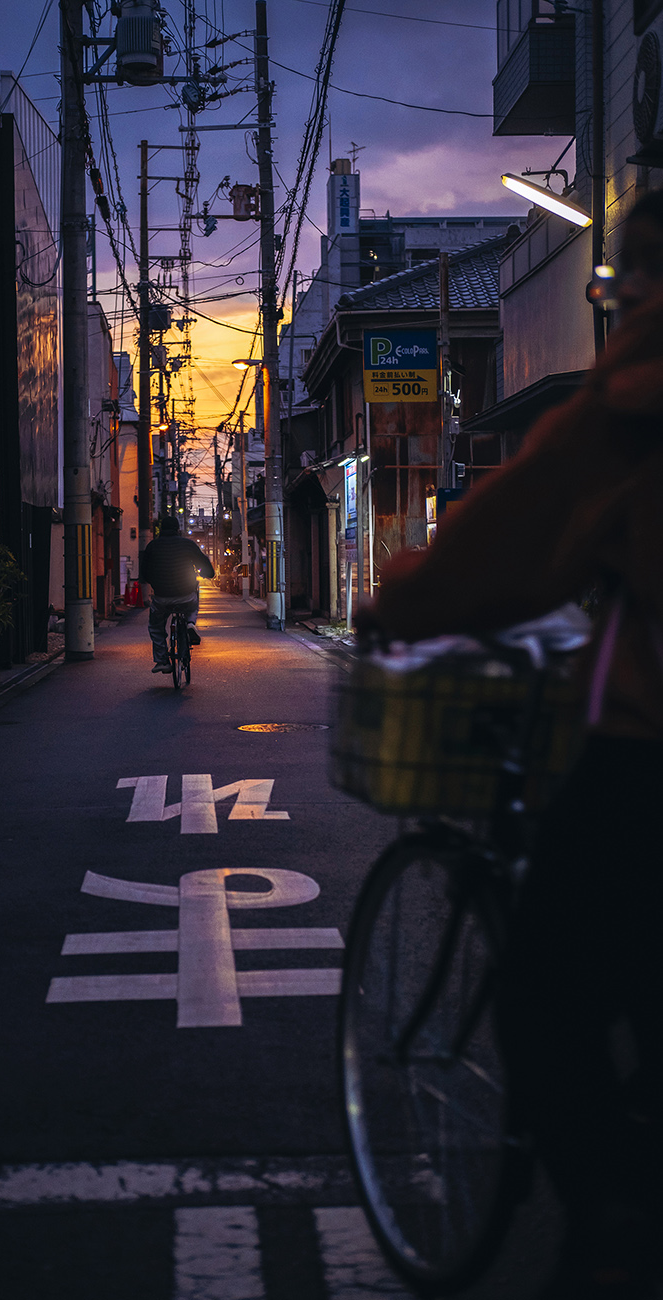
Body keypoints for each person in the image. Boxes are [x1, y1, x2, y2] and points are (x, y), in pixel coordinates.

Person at [357, 190, 663, 1300]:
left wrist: (398, 608)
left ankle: (615, 1209)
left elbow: (511, 538)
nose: (614, 299)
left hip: (647, 751)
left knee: (543, 985)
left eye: (619, 282)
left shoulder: (633, 399)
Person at [140, 515, 215, 673]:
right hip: (186, 594)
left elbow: (144, 574)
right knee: (193, 601)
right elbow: (205, 564)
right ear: (177, 529)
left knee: (156, 626)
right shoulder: (188, 544)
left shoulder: (152, 546)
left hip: (161, 597)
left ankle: (162, 660)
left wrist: (155, 582)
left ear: (161, 529)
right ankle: (190, 623)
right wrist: (209, 574)